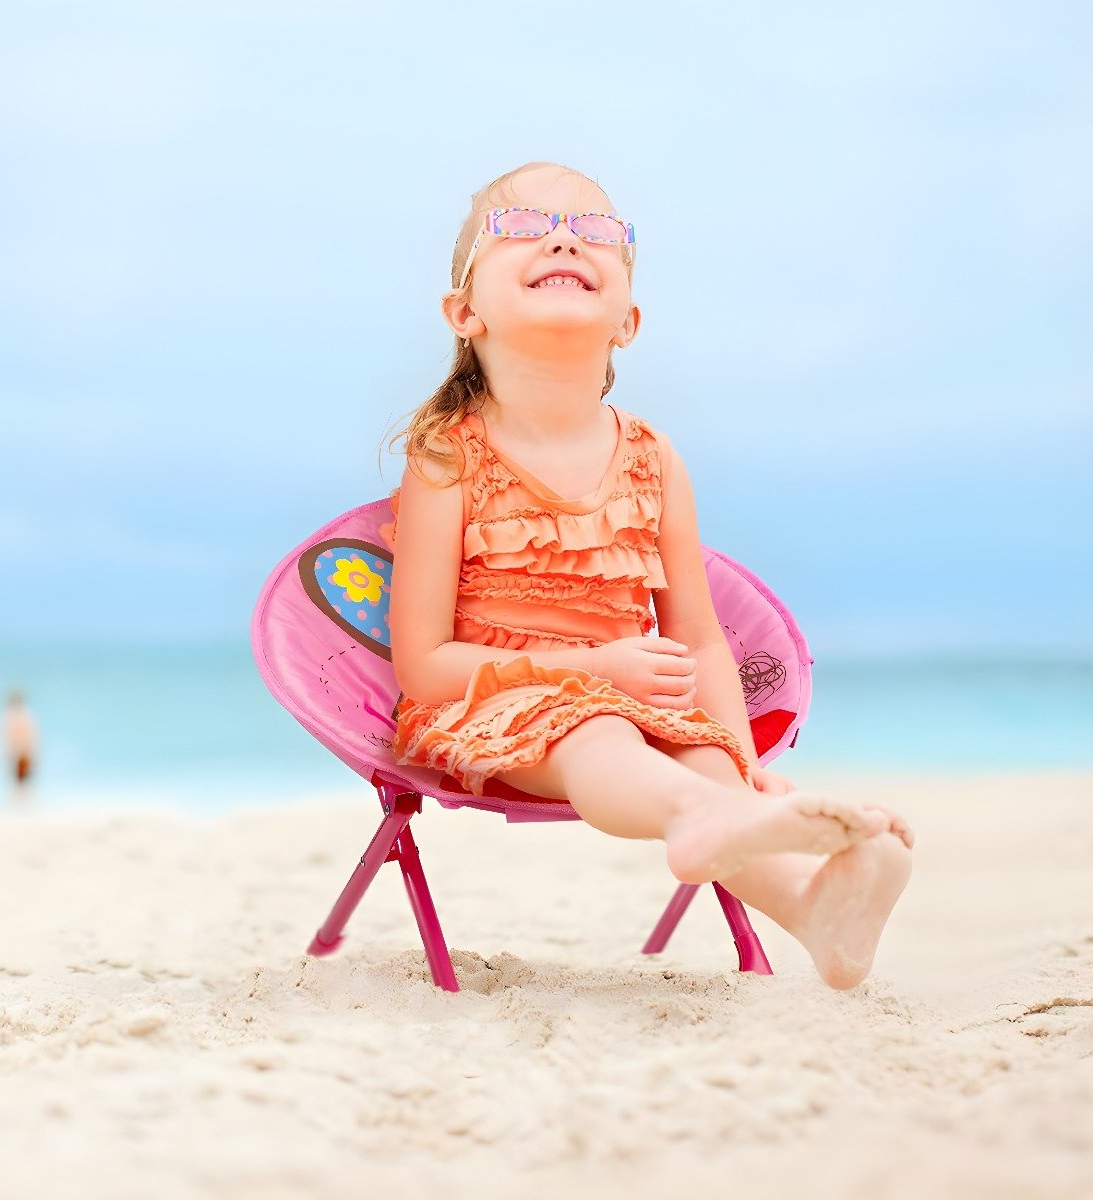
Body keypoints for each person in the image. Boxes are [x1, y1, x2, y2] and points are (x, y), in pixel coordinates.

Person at [383, 162, 913, 990]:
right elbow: (423, 665)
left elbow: (697, 638)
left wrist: (739, 764)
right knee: (599, 732)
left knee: (699, 755)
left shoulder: (652, 458)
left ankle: (815, 911)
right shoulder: (449, 456)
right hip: (500, 704)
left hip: (637, 695)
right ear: (465, 312)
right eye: (521, 227)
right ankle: (700, 817)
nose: (564, 239)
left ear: (627, 319)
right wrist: (596, 670)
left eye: (596, 231)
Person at [0, 690, 39, 804]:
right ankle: (22, 801)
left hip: (21, 751)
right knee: (20, 779)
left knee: (20, 778)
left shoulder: (18, 716)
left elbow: (23, 736)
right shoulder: (24, 715)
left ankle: (22, 801)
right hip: (20, 751)